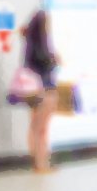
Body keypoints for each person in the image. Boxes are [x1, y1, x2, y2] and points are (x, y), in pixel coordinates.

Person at [22, 11, 59, 173]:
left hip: (35, 92)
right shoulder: (42, 49)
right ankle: (41, 163)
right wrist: (55, 59)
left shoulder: (30, 45)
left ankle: (40, 162)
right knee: (41, 129)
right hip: (46, 90)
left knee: (36, 127)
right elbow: (49, 66)